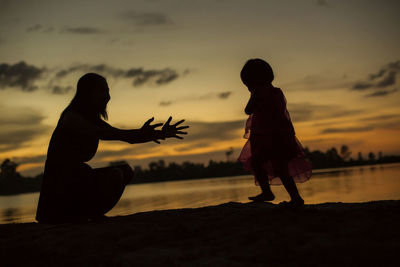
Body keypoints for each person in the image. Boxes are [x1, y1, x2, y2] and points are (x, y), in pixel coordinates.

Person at [36, 73, 188, 223]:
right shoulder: (72, 118)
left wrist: (162, 133)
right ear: (86, 94)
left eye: (108, 91)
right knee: (114, 174)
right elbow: (109, 134)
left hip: (75, 181)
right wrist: (141, 133)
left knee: (125, 171)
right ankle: (85, 215)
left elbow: (126, 137)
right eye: (102, 90)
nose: (108, 96)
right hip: (58, 194)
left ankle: (89, 213)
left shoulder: (92, 119)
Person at [238, 59, 312, 207]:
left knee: (256, 162)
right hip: (282, 136)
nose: (248, 88)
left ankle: (267, 192)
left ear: (253, 80)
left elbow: (248, 110)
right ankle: (295, 197)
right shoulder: (277, 92)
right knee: (281, 168)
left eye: (247, 84)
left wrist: (254, 94)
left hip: (268, 137)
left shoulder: (259, 91)